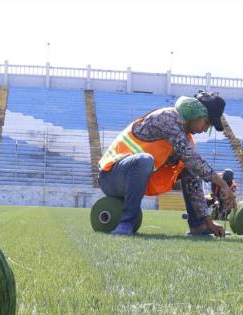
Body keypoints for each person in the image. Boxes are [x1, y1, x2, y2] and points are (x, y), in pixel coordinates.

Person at [97, 91, 235, 237]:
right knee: (146, 159)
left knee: (190, 168)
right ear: (195, 113)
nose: (205, 129)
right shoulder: (167, 118)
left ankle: (198, 225)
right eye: (207, 122)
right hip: (111, 176)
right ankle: (126, 224)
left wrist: (208, 222)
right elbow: (192, 158)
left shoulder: (185, 138)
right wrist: (224, 185)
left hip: (132, 180)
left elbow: (194, 169)